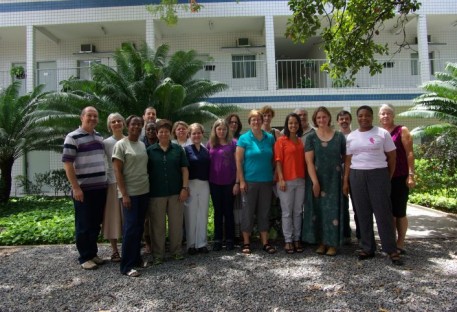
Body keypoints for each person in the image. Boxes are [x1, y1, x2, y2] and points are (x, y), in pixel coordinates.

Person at [343, 105, 403, 265]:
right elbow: (348, 161)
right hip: (357, 175)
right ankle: (367, 247)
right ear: (357, 118)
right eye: (361, 116)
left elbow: (392, 157)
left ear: (372, 117)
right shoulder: (351, 136)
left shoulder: (382, 134)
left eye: (367, 115)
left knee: (383, 212)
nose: (364, 118)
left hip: (379, 174)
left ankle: (391, 249)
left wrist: (386, 176)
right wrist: (346, 181)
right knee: (362, 212)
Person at [62, 106, 107, 270]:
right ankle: (84, 257)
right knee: (83, 223)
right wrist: (76, 188)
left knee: (95, 223)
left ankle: (92, 253)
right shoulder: (72, 137)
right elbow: (67, 164)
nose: (93, 118)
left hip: (100, 188)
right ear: (82, 117)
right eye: (90, 115)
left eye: (95, 116)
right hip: (83, 189)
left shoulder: (99, 137)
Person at [303, 107, 346, 256]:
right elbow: (309, 162)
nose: (322, 120)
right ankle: (321, 243)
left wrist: (345, 180)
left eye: (324, 117)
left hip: (334, 181)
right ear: (315, 120)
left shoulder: (340, 137)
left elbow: (346, 158)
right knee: (319, 211)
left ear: (329, 118)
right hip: (317, 179)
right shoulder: (311, 138)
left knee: (333, 211)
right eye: (319, 118)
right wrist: (315, 182)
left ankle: (332, 243)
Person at [147, 119, 189, 264]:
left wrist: (184, 188)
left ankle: (176, 251)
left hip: (175, 193)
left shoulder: (178, 150)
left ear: (170, 133)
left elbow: (184, 170)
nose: (163, 134)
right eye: (161, 131)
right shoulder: (150, 151)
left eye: (166, 131)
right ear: (157, 134)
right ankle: (158, 254)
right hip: (156, 194)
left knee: (176, 224)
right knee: (157, 225)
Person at [112, 115, 149, 277]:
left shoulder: (141, 144)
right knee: (130, 228)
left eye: (139, 124)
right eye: (134, 124)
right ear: (127, 125)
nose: (137, 127)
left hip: (144, 192)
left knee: (138, 227)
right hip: (130, 194)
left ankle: (136, 258)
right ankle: (126, 266)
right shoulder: (120, 145)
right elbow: (117, 171)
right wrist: (124, 194)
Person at [236, 109, 276, 255]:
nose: (256, 121)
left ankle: (265, 242)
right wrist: (241, 181)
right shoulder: (244, 138)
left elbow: (273, 158)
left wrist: (272, 173)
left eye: (258, 119)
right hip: (249, 181)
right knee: (248, 211)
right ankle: (246, 243)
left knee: (264, 212)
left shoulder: (269, 137)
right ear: (249, 122)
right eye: (253, 119)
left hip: (266, 181)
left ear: (262, 121)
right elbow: (239, 161)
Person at [379, 103, 415, 254]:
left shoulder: (402, 130)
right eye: (382, 113)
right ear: (379, 117)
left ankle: (400, 243)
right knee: (388, 212)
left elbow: (410, 153)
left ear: (393, 115)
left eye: (388, 113)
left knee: (400, 211)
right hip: (383, 177)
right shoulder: (378, 132)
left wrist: (411, 174)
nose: (385, 116)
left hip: (400, 177)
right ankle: (391, 241)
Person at [274, 113, 305, 254]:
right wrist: (280, 178)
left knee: (298, 212)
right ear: (286, 125)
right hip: (285, 181)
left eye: (296, 123)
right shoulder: (281, 141)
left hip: (300, 181)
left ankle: (297, 239)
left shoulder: (300, 141)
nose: (293, 125)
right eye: (290, 123)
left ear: (299, 125)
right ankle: (288, 240)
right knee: (287, 212)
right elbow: (278, 160)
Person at [208, 119, 238, 251]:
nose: (221, 131)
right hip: (214, 182)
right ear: (215, 130)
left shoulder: (233, 144)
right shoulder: (210, 144)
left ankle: (230, 239)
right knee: (218, 212)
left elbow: (238, 164)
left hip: (229, 182)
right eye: (219, 129)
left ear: (228, 130)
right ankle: (218, 239)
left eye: (224, 129)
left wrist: (237, 182)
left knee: (228, 211)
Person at [184, 123, 210, 255]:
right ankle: (191, 244)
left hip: (204, 184)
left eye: (198, 133)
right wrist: (185, 186)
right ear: (189, 135)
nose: (196, 135)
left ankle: (202, 243)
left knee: (203, 213)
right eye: (194, 133)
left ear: (202, 134)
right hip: (191, 184)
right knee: (191, 214)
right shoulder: (186, 150)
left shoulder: (206, 150)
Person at [102, 113, 125, 263]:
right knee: (112, 217)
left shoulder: (129, 140)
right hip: (111, 183)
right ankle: (115, 250)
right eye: (113, 122)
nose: (116, 123)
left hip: (128, 183)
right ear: (109, 125)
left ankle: (130, 249)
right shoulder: (105, 143)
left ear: (123, 123)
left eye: (119, 121)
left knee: (127, 217)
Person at [336, 110, 356, 243]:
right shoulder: (335, 136)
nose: (344, 121)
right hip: (338, 174)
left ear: (350, 120)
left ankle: (361, 235)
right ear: (337, 121)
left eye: (346, 119)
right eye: (341, 119)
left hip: (355, 172)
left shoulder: (356, 135)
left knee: (358, 205)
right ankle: (345, 233)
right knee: (342, 205)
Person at [225, 113, 243, 244]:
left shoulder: (242, 139)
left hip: (238, 178)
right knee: (226, 208)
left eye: (236, 122)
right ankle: (226, 235)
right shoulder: (221, 139)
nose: (233, 124)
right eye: (231, 122)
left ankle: (238, 235)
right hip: (223, 181)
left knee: (238, 208)